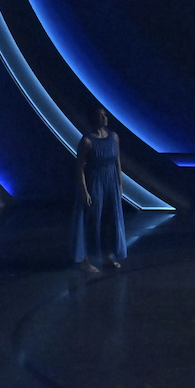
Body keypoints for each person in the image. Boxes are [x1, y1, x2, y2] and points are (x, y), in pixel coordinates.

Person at [73, 106, 128, 273]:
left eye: (105, 115)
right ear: (93, 118)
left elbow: (117, 161)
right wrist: (84, 191)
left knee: (109, 220)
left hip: (111, 182)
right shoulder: (87, 141)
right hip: (95, 182)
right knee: (92, 220)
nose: (104, 118)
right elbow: (80, 168)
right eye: (100, 115)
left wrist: (119, 183)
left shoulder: (114, 137)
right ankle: (85, 260)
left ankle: (106, 256)